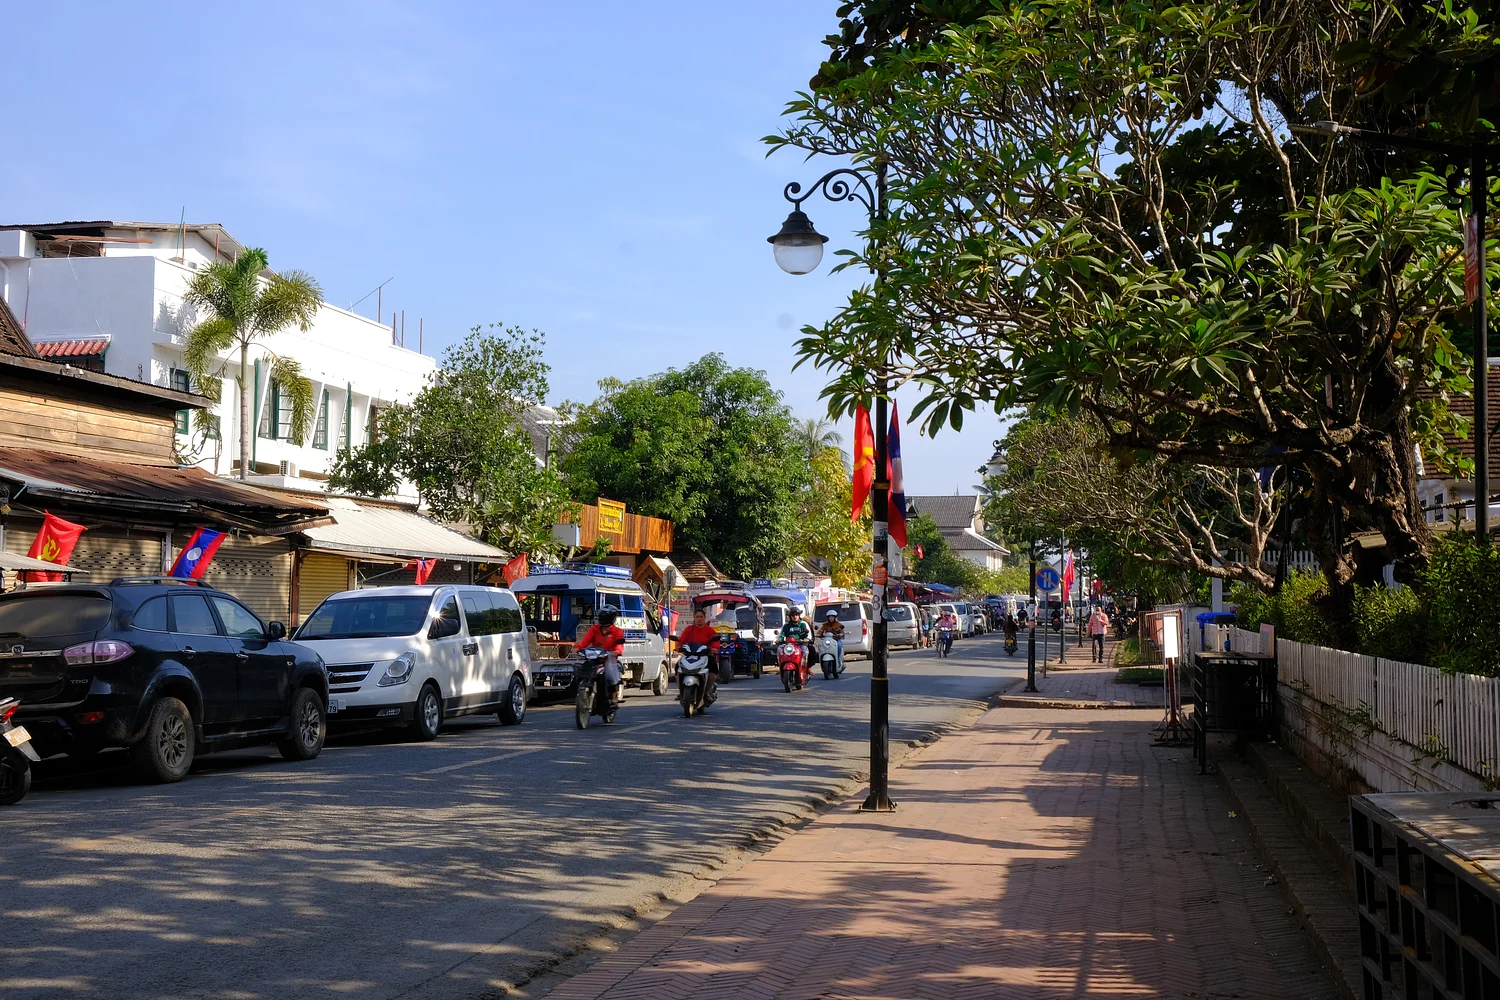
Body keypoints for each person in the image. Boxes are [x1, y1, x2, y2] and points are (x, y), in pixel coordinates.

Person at [574, 605, 626, 705]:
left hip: (609, 659)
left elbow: (619, 646)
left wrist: (616, 651)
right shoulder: (594, 629)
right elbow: (586, 641)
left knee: (611, 676)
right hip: (595, 657)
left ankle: (614, 697)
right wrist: (579, 648)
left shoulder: (617, 631)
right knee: (583, 670)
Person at [672, 607, 721, 702]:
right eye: (697, 617)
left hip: (705, 655)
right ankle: (681, 691)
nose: (699, 619)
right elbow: (682, 640)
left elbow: (715, 641)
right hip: (689, 655)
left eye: (701, 617)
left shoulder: (709, 630)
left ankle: (707, 692)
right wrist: (678, 646)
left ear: (704, 618)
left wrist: (714, 649)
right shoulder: (689, 629)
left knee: (713, 667)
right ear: (694, 618)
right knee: (678, 667)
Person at [817, 609, 845, 675]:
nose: (831, 618)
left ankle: (838, 659)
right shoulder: (825, 625)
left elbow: (842, 631)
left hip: (836, 640)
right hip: (827, 640)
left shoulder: (838, 624)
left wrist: (841, 634)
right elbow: (821, 630)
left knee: (839, 645)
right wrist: (818, 634)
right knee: (820, 645)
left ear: (835, 617)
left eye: (832, 617)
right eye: (829, 617)